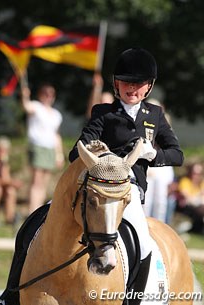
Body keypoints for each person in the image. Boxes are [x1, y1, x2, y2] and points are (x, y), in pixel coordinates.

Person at [69, 47, 184, 304]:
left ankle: (132, 298)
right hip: (97, 188)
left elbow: (177, 155)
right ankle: (12, 292)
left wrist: (152, 154)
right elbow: (77, 151)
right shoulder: (103, 113)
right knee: (40, 221)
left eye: (139, 84)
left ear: (149, 86)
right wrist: (95, 153)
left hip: (129, 191)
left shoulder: (154, 115)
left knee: (143, 244)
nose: (132, 89)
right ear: (116, 84)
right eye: (126, 83)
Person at [21, 81, 64, 215]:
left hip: (50, 148)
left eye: (51, 94)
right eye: (45, 94)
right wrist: (24, 96)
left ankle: (38, 210)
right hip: (38, 146)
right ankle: (32, 211)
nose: (48, 97)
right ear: (40, 95)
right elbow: (26, 107)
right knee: (36, 180)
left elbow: (56, 135)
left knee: (44, 182)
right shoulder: (36, 106)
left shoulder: (56, 114)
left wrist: (59, 153)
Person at [143, 98, 175, 223]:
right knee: (146, 199)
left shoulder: (164, 121)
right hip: (147, 162)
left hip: (161, 163)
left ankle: (160, 226)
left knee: (160, 201)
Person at [176, 162, 204, 234]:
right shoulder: (185, 181)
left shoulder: (201, 183)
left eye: (198, 173)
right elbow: (186, 196)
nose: (196, 175)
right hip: (187, 207)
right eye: (194, 173)